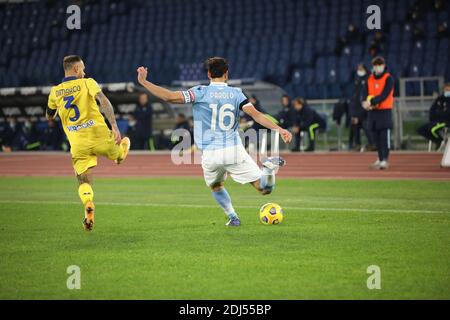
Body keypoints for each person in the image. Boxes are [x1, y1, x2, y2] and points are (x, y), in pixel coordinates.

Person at [136, 57, 292, 227]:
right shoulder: (236, 94)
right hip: (233, 150)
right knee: (264, 189)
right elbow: (257, 115)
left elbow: (170, 97)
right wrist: (279, 129)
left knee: (216, 185)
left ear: (209, 74)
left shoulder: (199, 92)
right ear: (227, 74)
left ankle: (233, 217)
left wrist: (144, 82)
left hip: (210, 154)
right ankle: (268, 169)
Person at [46, 55, 131, 231]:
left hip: (78, 144)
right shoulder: (87, 83)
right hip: (100, 136)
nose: (84, 72)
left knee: (84, 180)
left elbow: (49, 115)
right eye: (82, 68)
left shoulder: (55, 91)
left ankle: (88, 203)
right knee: (120, 152)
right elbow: (103, 100)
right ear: (76, 69)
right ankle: (119, 155)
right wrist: (114, 126)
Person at [361, 56, 394, 170]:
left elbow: (384, 95)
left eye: (380, 65)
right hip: (373, 112)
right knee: (376, 138)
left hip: (384, 111)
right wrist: (364, 102)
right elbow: (364, 92)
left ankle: (385, 159)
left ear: (384, 66)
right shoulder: (369, 79)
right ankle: (380, 158)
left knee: (385, 136)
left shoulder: (388, 78)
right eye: (375, 65)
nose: (377, 67)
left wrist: (371, 102)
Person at [348, 64, 374, 151]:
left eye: (361, 68)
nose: (359, 70)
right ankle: (357, 144)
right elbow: (355, 99)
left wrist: (359, 116)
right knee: (354, 123)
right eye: (358, 68)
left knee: (365, 124)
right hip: (357, 109)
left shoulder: (368, 79)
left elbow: (365, 99)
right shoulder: (357, 80)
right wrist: (354, 115)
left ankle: (372, 144)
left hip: (366, 111)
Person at [417, 83, 450, 150]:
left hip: (445, 121)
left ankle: (440, 140)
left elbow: (446, 113)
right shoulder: (439, 99)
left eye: (448, 90)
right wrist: (436, 115)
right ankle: (438, 140)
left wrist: (439, 114)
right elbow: (432, 111)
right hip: (435, 121)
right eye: (446, 89)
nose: (447, 91)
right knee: (421, 130)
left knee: (432, 129)